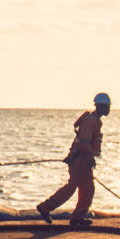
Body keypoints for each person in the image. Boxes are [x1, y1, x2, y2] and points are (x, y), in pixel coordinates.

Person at [37, 93, 111, 226]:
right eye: (107, 106)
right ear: (101, 106)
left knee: (88, 189)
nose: (109, 109)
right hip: (80, 160)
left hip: (83, 161)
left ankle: (77, 218)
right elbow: (84, 141)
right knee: (72, 187)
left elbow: (80, 140)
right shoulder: (91, 121)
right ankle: (45, 207)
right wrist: (89, 156)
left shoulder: (94, 121)